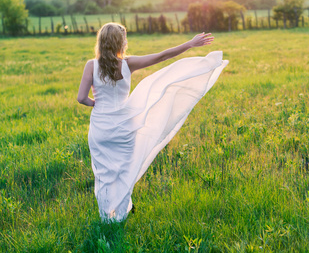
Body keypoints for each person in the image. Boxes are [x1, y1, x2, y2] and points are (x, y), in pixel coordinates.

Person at [77, 23, 228, 221]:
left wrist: (94, 103)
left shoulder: (91, 65)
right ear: (120, 42)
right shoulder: (128, 63)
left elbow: (81, 98)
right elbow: (162, 56)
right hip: (124, 127)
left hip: (101, 127)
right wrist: (190, 44)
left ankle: (107, 218)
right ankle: (121, 212)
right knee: (124, 171)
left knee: (104, 174)